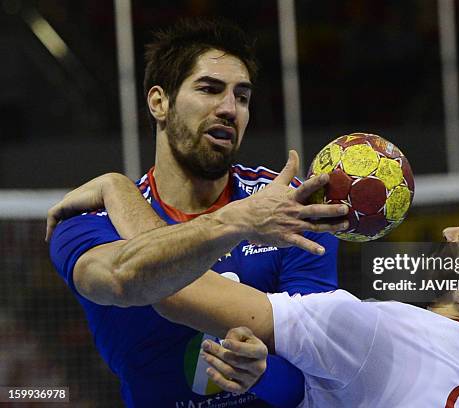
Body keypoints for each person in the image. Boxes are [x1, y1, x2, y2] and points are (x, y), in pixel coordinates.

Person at [49, 164, 459, 407]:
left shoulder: (372, 329)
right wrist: (264, 378)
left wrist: (118, 189)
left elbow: (173, 290)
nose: (449, 232)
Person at [48, 19, 350, 408]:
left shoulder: (287, 207)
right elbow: (126, 277)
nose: (229, 109)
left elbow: (321, 369)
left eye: (242, 97)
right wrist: (238, 221)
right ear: (159, 102)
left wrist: (265, 375)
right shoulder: (87, 221)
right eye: (209, 89)